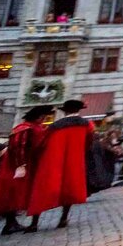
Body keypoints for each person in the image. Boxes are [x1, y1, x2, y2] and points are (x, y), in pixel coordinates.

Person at [26, 99, 94, 231]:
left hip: (52, 159)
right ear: (78, 110)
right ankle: (63, 218)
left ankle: (34, 222)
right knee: (69, 188)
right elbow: (89, 142)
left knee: (42, 188)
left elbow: (41, 143)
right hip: (74, 159)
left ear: (65, 111)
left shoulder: (54, 126)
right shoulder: (87, 124)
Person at [0, 106, 52, 235]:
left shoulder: (27, 127)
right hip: (22, 165)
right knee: (14, 193)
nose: (44, 119)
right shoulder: (26, 128)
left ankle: (12, 223)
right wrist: (21, 165)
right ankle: (12, 223)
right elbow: (20, 147)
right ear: (39, 117)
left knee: (13, 193)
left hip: (24, 164)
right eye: (43, 117)